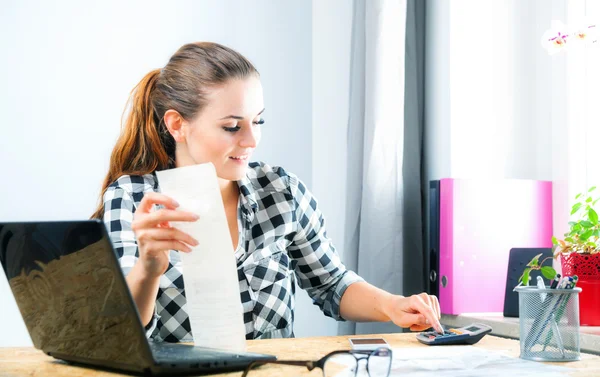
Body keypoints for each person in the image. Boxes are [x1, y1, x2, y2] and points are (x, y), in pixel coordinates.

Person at [92, 42, 443, 343]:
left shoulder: (280, 191)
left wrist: (392, 305)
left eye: (257, 121)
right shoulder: (135, 200)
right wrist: (148, 270)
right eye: (232, 127)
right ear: (177, 124)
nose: (251, 140)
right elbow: (121, 334)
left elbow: (331, 284)